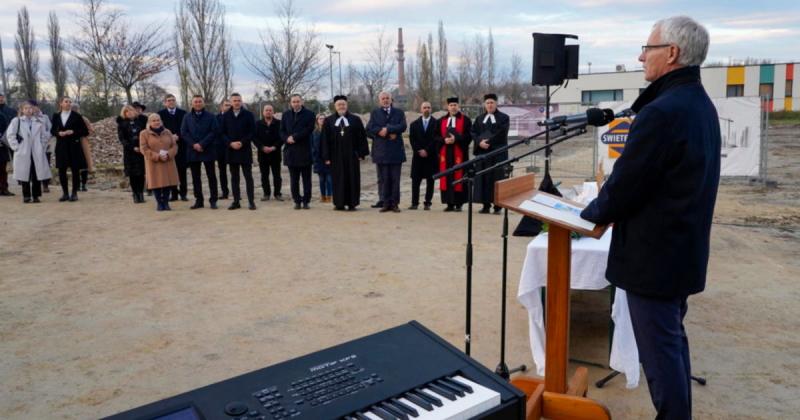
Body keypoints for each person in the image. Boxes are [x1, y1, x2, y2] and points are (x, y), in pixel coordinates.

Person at [580, 16, 719, 420]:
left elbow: (627, 182)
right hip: (680, 253)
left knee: (661, 358)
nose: (641, 56)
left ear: (672, 53)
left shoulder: (663, 111)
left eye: (648, 48)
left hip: (655, 261)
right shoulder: (697, 102)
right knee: (672, 347)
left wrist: (591, 216)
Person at [322, 95, 370, 211]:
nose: (341, 106)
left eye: (343, 104)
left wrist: (361, 153)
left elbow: (362, 137)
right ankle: (339, 203)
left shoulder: (355, 119)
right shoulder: (329, 121)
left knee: (352, 178)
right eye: (339, 105)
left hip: (352, 155)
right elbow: (324, 140)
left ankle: (352, 203)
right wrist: (326, 156)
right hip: (335, 156)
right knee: (338, 179)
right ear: (335, 106)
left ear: (346, 105)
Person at [366, 91, 407, 213]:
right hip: (381, 152)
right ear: (379, 100)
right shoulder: (375, 113)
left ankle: (395, 204)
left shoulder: (399, 113)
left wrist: (388, 129)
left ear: (391, 100)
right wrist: (379, 131)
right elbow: (369, 128)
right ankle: (385, 203)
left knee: (395, 179)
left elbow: (403, 126)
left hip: (395, 152)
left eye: (387, 98)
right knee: (384, 179)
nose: (385, 100)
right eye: (383, 98)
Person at [471, 93, 510, 214]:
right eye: (487, 103)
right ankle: (485, 205)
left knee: (497, 178)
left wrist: (488, 142)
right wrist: (479, 142)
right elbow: (473, 132)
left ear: (496, 103)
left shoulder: (504, 117)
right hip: (483, 154)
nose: (489, 105)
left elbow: (502, 133)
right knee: (484, 178)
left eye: (492, 102)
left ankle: (497, 206)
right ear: (484, 104)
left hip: (497, 153)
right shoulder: (479, 118)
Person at [5, 101, 51, 202]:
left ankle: (36, 195)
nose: (29, 110)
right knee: (25, 174)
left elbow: (45, 135)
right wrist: (16, 147)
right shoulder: (17, 121)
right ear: (22, 110)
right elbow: (10, 135)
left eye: (30, 108)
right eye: (26, 108)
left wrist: (42, 146)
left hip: (36, 151)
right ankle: (26, 196)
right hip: (23, 151)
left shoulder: (38, 121)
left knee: (36, 173)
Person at [181, 94, 219, 209]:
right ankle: (199, 200)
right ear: (191, 103)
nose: (197, 103)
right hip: (193, 151)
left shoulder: (211, 116)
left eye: (199, 101)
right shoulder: (187, 117)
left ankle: (213, 200)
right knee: (195, 177)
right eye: (195, 102)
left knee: (211, 176)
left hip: (208, 150)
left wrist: (202, 144)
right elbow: (184, 132)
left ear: (203, 103)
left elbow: (214, 132)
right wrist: (194, 145)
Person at [220, 93, 256, 210]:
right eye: (234, 100)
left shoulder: (248, 115)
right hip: (231, 151)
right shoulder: (225, 115)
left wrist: (242, 142)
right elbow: (221, 133)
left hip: (244, 150)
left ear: (241, 101)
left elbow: (252, 132)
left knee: (248, 177)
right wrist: (230, 143)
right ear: (231, 102)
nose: (236, 102)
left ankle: (251, 201)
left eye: (239, 100)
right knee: (234, 178)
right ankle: (236, 201)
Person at [435, 97, 472, 212]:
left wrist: (456, 139)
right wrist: (444, 140)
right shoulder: (441, 121)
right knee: (446, 176)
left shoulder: (466, 120)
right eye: (451, 105)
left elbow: (469, 136)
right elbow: (435, 137)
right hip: (445, 153)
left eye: (455, 105)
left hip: (459, 152)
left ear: (458, 106)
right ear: (447, 107)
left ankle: (459, 203)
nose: (453, 107)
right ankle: (449, 203)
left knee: (459, 176)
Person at [280, 94, 315, 210]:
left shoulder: (309, 114)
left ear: (302, 102)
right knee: (294, 180)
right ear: (290, 103)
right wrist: (286, 138)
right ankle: (297, 200)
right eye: (293, 102)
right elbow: (281, 131)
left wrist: (295, 137)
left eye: (297, 101)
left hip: (304, 150)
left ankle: (306, 201)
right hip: (291, 152)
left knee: (306, 180)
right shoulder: (285, 115)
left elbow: (309, 129)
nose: (296, 103)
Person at [51, 97, 89, 202]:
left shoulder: (76, 116)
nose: (68, 103)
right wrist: (58, 133)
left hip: (74, 146)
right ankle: (65, 193)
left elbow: (85, 131)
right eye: (66, 102)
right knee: (62, 170)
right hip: (61, 146)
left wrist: (73, 132)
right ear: (61, 103)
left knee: (75, 170)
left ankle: (74, 193)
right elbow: (52, 130)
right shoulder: (56, 116)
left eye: (70, 102)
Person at [140, 113, 179, 211]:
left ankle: (166, 203)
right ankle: (159, 203)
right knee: (156, 183)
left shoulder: (168, 132)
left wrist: (169, 154)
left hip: (168, 161)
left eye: (158, 120)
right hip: (154, 163)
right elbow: (144, 149)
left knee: (167, 183)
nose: (156, 122)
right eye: (154, 120)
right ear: (149, 122)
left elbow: (174, 146)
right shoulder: (144, 133)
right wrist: (157, 156)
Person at [408, 101, 438, 210]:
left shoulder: (437, 124)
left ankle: (427, 202)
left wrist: (427, 151)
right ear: (421, 109)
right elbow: (412, 140)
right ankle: (414, 203)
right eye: (424, 107)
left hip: (431, 156)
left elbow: (436, 140)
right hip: (418, 157)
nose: (426, 109)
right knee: (416, 180)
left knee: (431, 180)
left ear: (431, 109)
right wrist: (419, 150)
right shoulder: (414, 124)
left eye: (428, 107)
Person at [158, 94, 188, 201]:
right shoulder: (160, 114)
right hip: (167, 146)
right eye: (168, 100)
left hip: (181, 145)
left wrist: (178, 136)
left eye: (173, 100)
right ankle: (174, 194)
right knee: (170, 170)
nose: (171, 102)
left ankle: (183, 193)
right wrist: (170, 137)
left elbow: (186, 127)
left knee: (182, 171)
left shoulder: (183, 113)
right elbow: (159, 128)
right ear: (165, 102)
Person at [117, 105, 147, 203]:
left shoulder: (141, 121)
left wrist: (141, 146)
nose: (130, 113)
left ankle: (141, 193)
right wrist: (132, 147)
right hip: (130, 152)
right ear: (124, 113)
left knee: (141, 174)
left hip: (141, 151)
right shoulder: (122, 124)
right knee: (133, 175)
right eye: (127, 112)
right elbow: (122, 139)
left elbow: (145, 134)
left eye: (131, 111)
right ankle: (135, 194)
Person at [253, 104, 283, 201]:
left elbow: (282, 137)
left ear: (273, 112)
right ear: (263, 112)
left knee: (277, 176)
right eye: (266, 110)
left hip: (275, 153)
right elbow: (254, 138)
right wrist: (262, 147)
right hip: (263, 154)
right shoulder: (257, 124)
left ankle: (277, 194)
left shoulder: (279, 123)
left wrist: (274, 147)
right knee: (264, 175)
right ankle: (266, 194)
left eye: (270, 110)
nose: (268, 112)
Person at [311, 113, 332, 203]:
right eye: (320, 119)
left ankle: (329, 196)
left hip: (328, 159)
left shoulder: (330, 131)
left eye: (323, 118)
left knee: (329, 179)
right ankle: (322, 196)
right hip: (318, 159)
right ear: (317, 120)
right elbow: (311, 145)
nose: (322, 120)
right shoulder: (314, 132)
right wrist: (313, 156)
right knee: (321, 179)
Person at [73, 104, 94, 192]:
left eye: (76, 109)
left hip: (83, 142)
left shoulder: (84, 119)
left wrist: (83, 133)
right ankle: (76, 185)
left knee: (84, 163)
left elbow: (91, 130)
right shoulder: (67, 119)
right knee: (75, 165)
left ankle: (84, 184)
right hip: (72, 143)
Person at [215, 99, 231, 200]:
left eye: (230, 105)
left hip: (233, 147)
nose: (228, 107)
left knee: (235, 171)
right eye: (226, 105)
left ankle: (236, 192)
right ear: (221, 107)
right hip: (220, 148)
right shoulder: (215, 118)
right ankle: (225, 192)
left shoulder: (234, 117)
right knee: (222, 172)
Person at [0, 111, 11, 196]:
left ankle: (4, 188)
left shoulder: (2, 116)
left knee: (3, 169)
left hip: (2, 146)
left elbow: (7, 131)